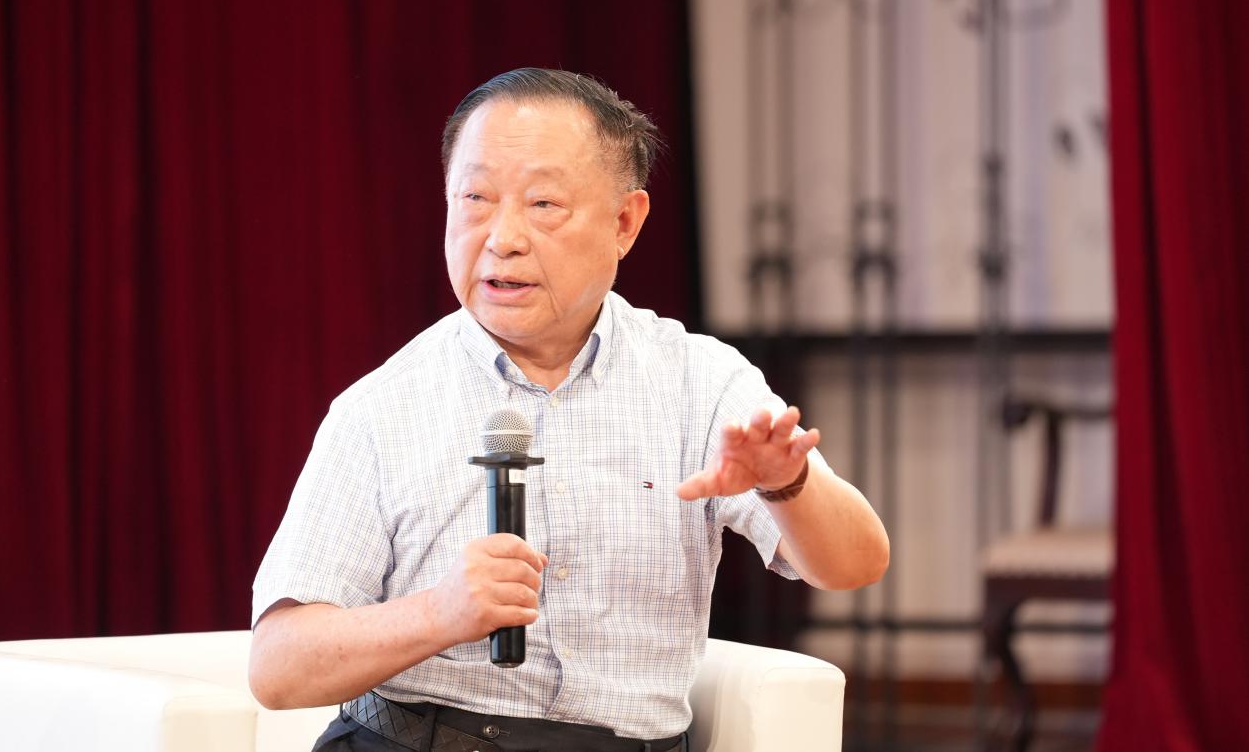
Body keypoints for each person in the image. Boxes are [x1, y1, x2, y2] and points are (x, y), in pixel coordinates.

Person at [249, 68, 889, 752]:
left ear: (624, 222)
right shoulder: (383, 407)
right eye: (475, 198)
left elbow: (855, 565)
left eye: (543, 204)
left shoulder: (698, 382)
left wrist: (786, 482)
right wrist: (437, 613)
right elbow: (277, 668)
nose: (502, 237)